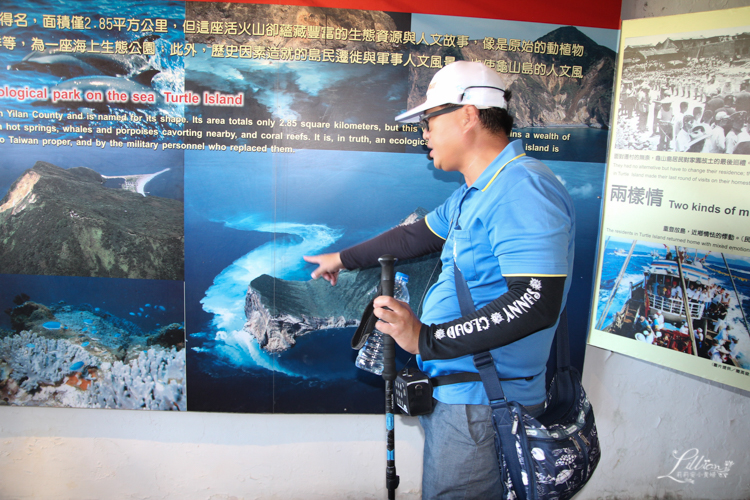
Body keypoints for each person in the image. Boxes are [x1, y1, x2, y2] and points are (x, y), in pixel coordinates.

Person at [304, 61, 575, 499]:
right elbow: (417, 236)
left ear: (469, 115)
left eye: (430, 120)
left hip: (485, 405)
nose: (424, 133)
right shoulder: (479, 190)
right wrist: (342, 258)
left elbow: (537, 300)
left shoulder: (522, 189)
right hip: (464, 400)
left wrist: (425, 338)